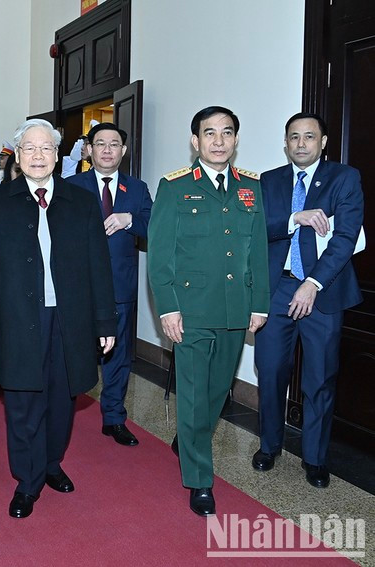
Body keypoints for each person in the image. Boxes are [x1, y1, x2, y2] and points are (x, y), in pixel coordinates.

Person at [0, 118, 117, 519]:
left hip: (71, 322)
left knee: (63, 401)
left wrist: (105, 324)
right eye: (29, 148)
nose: (37, 155)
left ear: (58, 155)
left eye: (45, 148)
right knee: (22, 403)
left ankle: (51, 463)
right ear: (18, 154)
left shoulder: (80, 202)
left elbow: (99, 268)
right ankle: (26, 480)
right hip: (16, 320)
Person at [147, 106, 269, 516]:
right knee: (196, 394)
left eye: (227, 133)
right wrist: (168, 309)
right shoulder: (175, 187)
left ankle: (190, 435)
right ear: (195, 141)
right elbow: (160, 256)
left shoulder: (251, 187)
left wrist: (260, 303)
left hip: (236, 310)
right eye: (209, 133)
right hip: (191, 310)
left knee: (218, 391)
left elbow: (258, 254)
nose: (219, 141)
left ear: (235, 140)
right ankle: (199, 478)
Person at [253, 112, 364, 488]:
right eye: (294, 137)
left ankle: (315, 458)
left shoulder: (344, 178)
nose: (301, 144)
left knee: (319, 379)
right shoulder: (269, 182)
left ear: (324, 142)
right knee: (270, 373)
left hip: (323, 292)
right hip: (276, 290)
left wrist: (312, 283)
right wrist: (293, 218)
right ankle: (270, 445)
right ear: (285, 143)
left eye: (309, 137)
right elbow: (255, 230)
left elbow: (346, 238)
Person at [68, 122, 152, 446]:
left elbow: (153, 225)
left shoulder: (138, 189)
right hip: (79, 286)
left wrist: (129, 219)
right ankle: (64, 411)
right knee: (74, 352)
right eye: (99, 143)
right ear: (89, 149)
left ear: (123, 150)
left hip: (120, 286)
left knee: (118, 355)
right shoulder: (72, 185)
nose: (106, 150)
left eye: (114, 144)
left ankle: (114, 418)